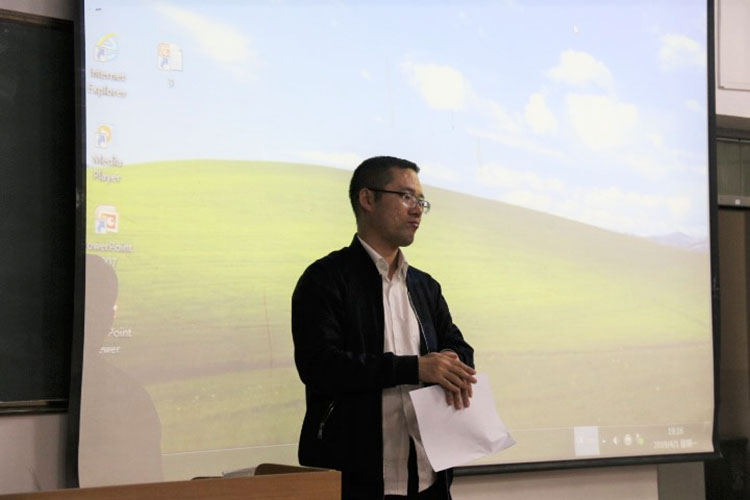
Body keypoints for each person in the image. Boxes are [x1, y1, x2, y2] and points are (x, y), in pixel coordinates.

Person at [292, 156, 476, 499]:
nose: (417, 210)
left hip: (429, 482)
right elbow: (320, 366)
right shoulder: (325, 280)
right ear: (367, 199)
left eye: (421, 201)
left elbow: (459, 346)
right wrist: (416, 368)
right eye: (406, 197)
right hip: (355, 483)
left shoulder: (425, 286)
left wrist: (451, 360)